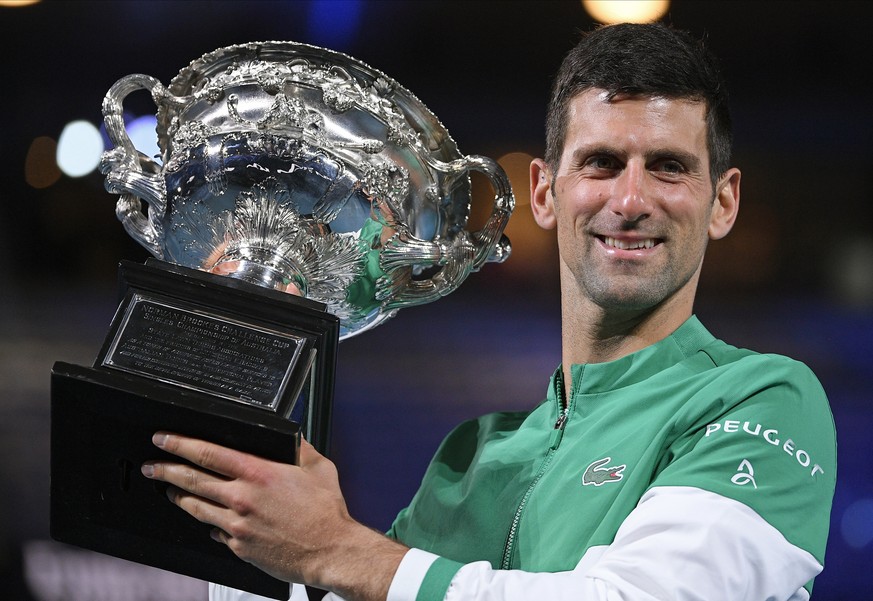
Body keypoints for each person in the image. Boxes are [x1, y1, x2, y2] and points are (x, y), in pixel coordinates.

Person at [140, 22, 836, 601]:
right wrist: (243, 459)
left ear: (723, 201)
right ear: (543, 192)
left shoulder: (760, 400)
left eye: (667, 166)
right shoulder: (472, 459)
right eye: (599, 162)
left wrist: (334, 548)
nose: (629, 200)